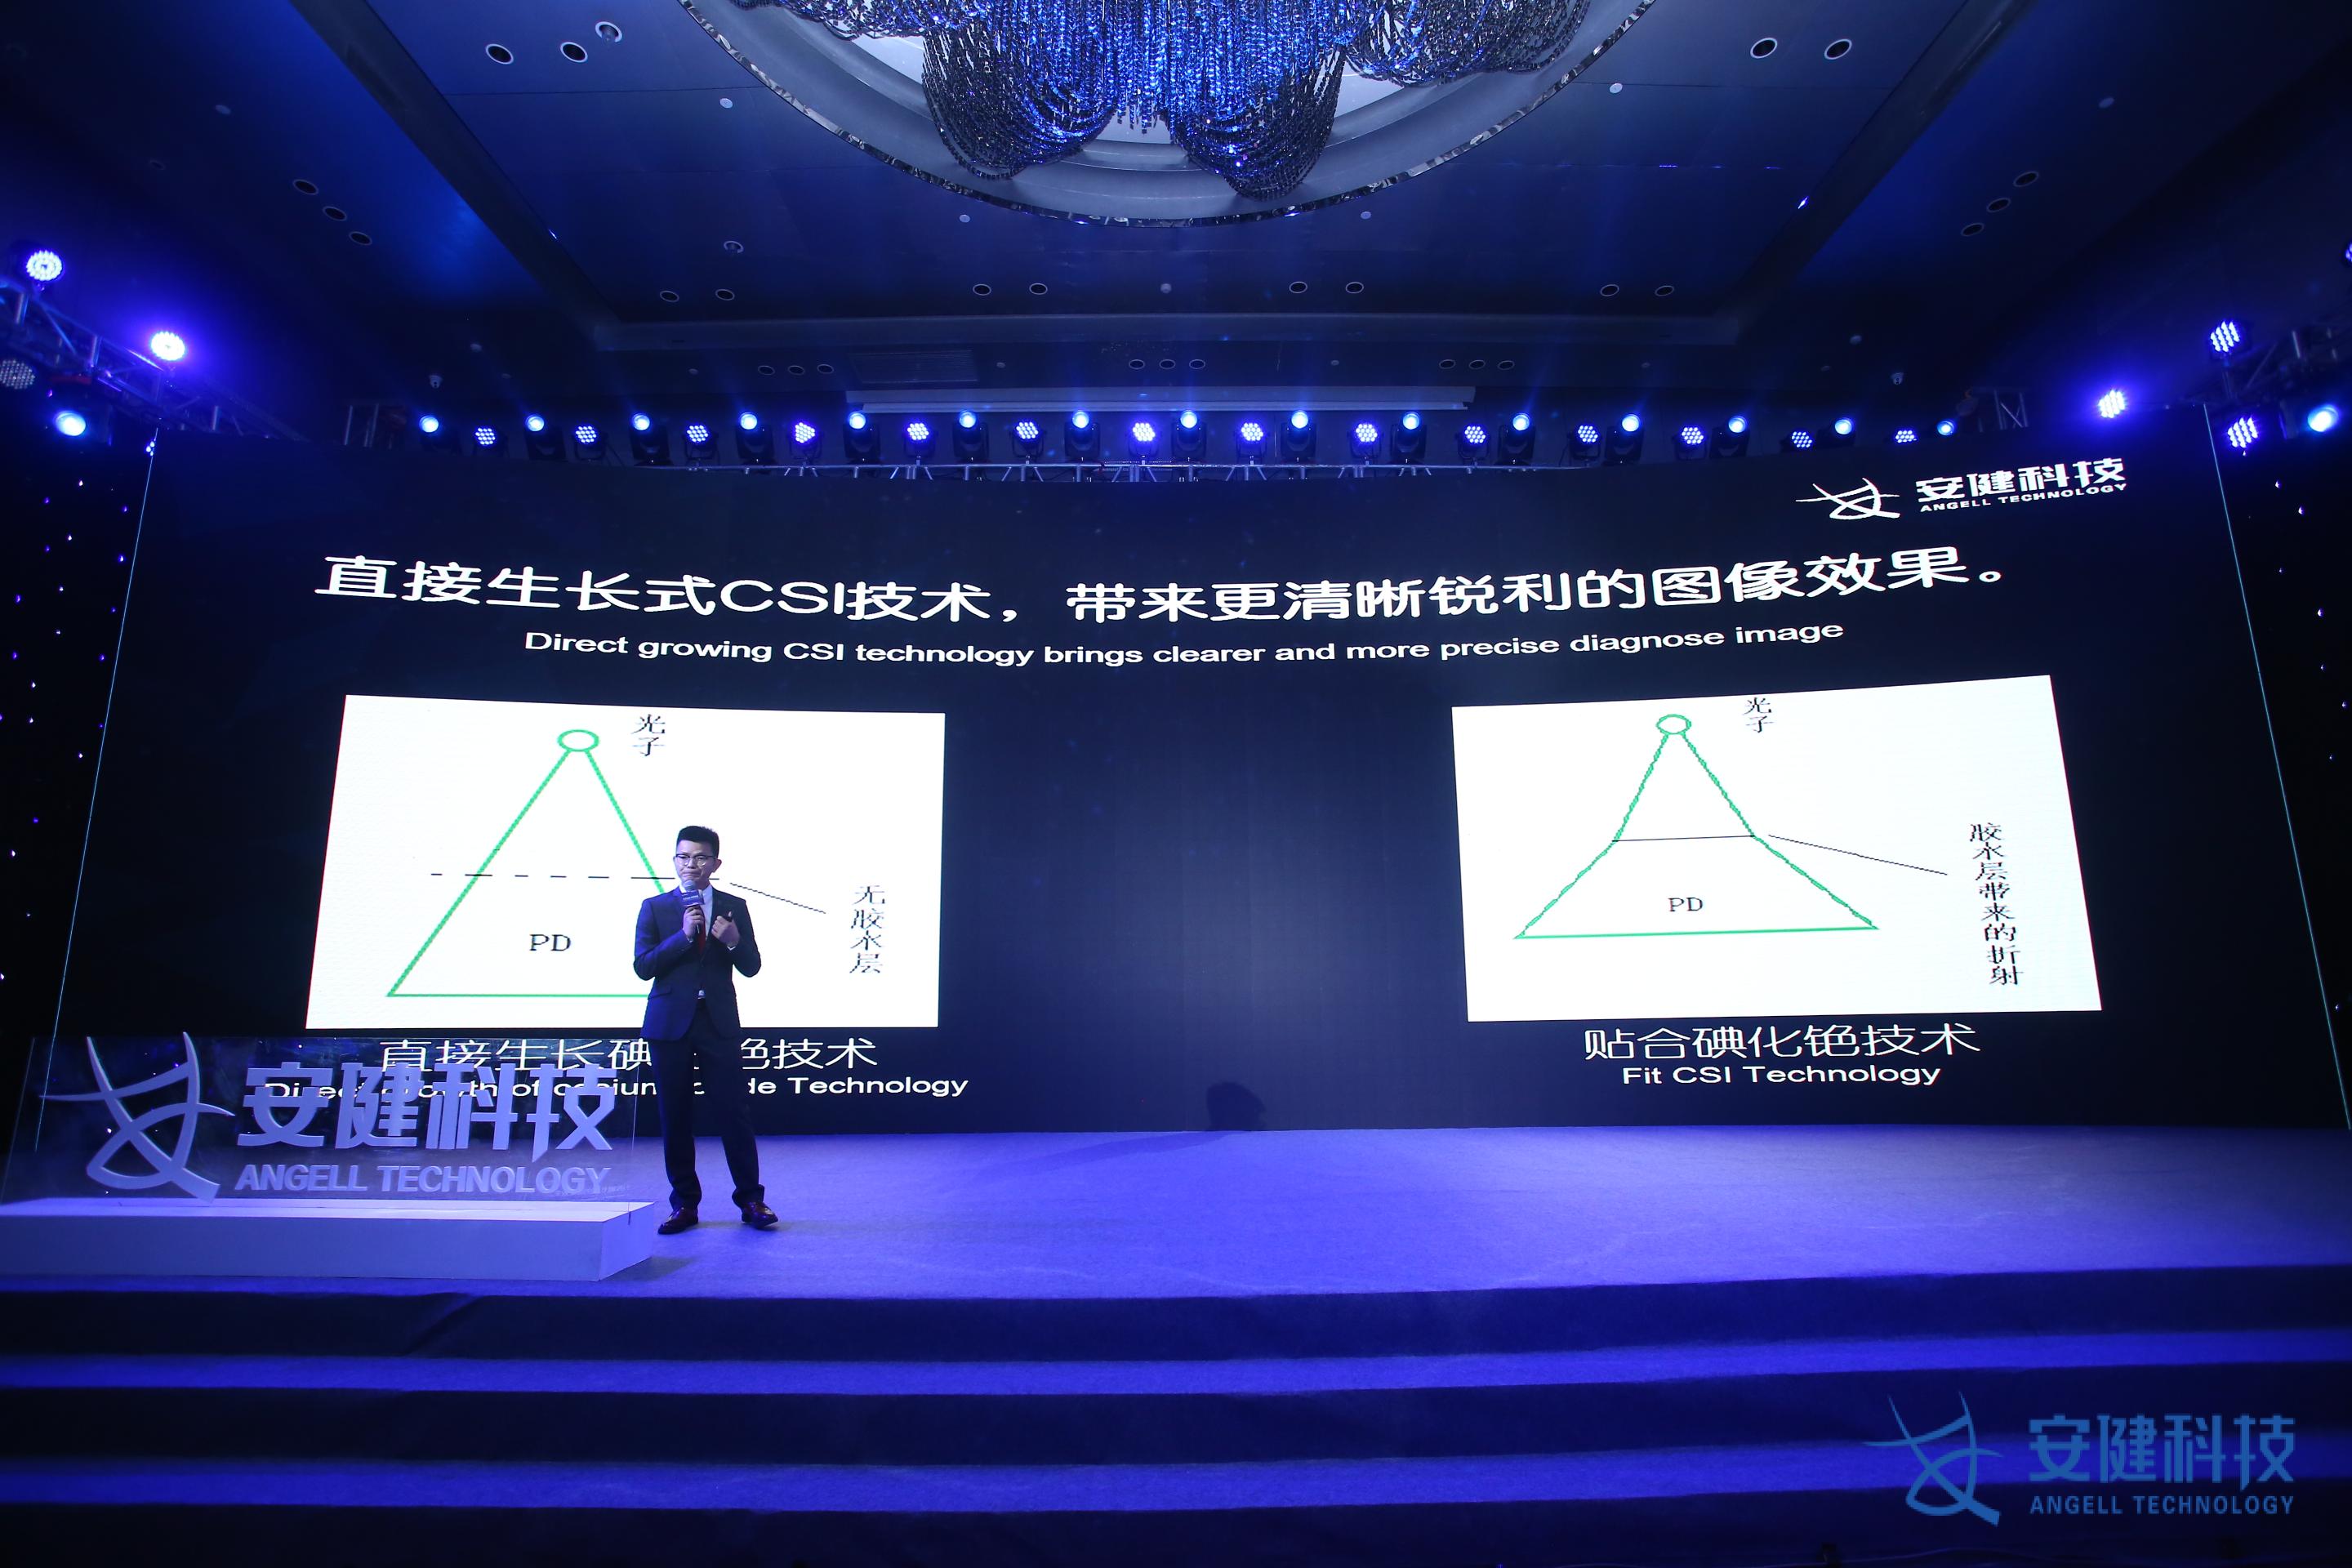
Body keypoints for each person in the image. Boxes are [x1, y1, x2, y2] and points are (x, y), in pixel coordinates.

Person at [634, 826, 779, 1234]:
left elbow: (751, 966)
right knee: (675, 1116)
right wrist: (684, 937)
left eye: (700, 858)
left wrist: (732, 941)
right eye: (683, 857)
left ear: (715, 863)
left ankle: (751, 1200)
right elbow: (643, 966)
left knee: (734, 1114)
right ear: (674, 861)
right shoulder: (655, 907)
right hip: (669, 1025)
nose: (690, 865)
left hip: (717, 1022)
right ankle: (684, 1204)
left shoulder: (734, 906)